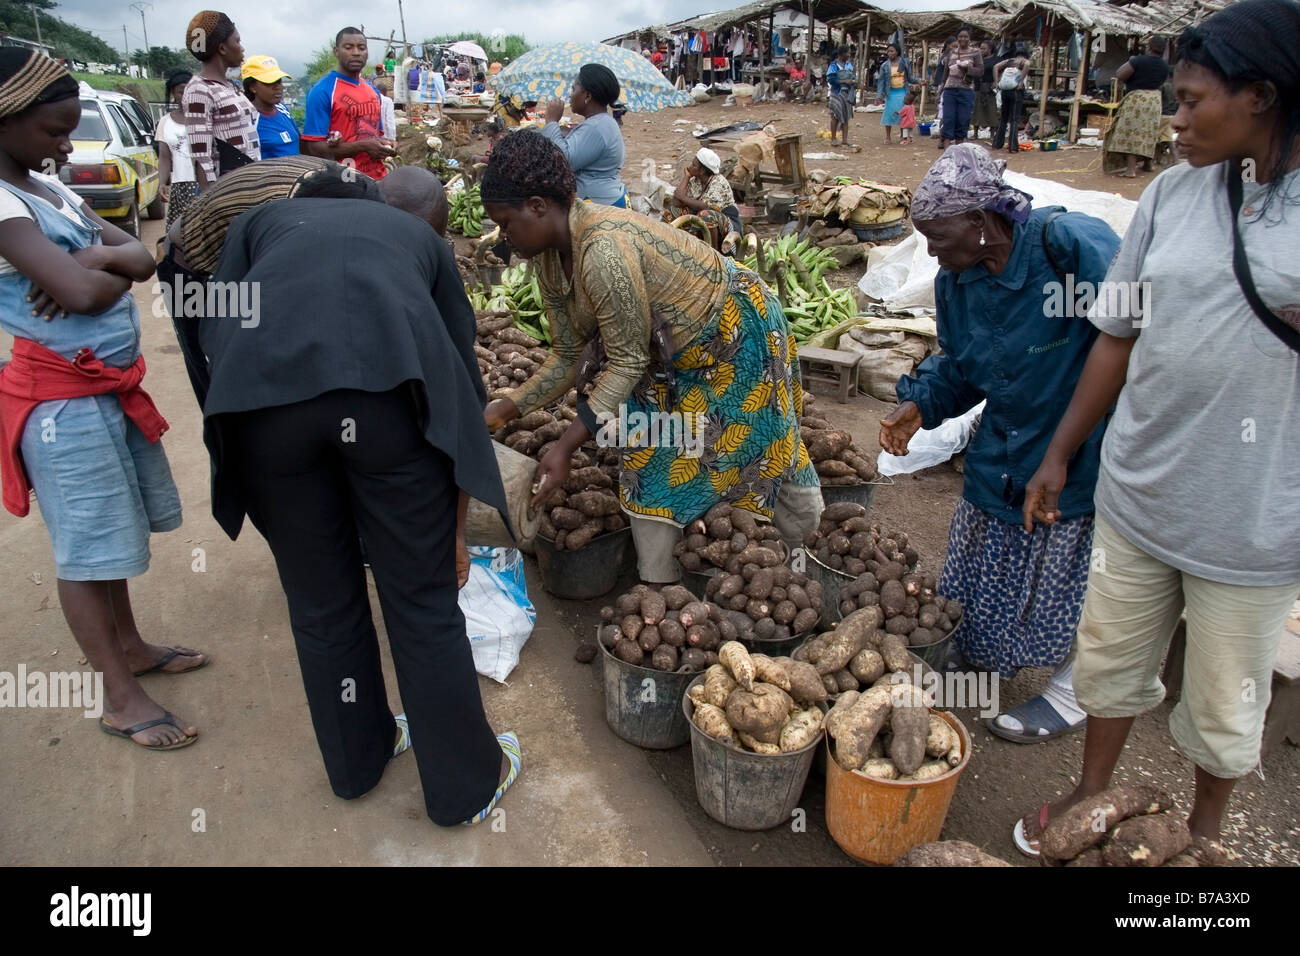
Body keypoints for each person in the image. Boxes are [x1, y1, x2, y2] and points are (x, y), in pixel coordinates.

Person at [1015, 0, 1300, 858]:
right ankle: (1093, 793)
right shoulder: (1172, 196)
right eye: (1171, 100)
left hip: (1251, 516)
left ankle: (1202, 838)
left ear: (1261, 95)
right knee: (1110, 664)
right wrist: (1061, 454)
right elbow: (1116, 334)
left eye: (1191, 101)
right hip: (1143, 492)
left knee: (1223, 701)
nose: (1171, 121)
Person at [201, 191, 519, 827]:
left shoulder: (260, 223)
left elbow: (214, 324)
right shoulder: (417, 237)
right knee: (421, 600)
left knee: (320, 601)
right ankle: (463, 790)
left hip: (266, 412)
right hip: (387, 410)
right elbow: (457, 367)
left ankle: (358, 762)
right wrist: (454, 514)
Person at [478, 132, 823, 582]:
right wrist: (509, 407)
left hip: (737, 334)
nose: (504, 237)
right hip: (665, 357)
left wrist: (564, 448)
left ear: (539, 206)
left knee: (765, 445)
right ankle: (658, 586)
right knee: (653, 455)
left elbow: (625, 363)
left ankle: (807, 556)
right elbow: (565, 354)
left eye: (506, 223)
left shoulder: (602, 249)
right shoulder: (547, 257)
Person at [881, 144, 1121, 743]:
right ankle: (988, 658)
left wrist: (1062, 454)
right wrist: (921, 404)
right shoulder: (957, 283)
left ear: (981, 222)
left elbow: (1132, 337)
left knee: (1067, 575)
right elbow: (962, 366)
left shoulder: (1066, 245)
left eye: (937, 237)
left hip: (1086, 446)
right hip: (1005, 446)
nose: (931, 251)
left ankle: (1075, 690)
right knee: (985, 557)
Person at [0, 51, 201, 750]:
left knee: (114, 539)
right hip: (61, 405)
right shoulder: (2, 202)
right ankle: (118, 695)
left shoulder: (49, 191)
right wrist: (97, 268)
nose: (66, 144)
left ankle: (134, 647)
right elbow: (95, 290)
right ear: (8, 119)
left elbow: (146, 257)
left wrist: (89, 260)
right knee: (86, 551)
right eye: (56, 130)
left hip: (104, 391)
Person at [158, 159, 447, 404]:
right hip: (197, 268)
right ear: (390, 216)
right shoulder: (297, 214)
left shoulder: (360, 195)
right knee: (228, 389)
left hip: (251, 256)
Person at [302, 26, 394, 180]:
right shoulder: (323, 91)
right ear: (336, 52)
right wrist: (363, 146)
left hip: (376, 178)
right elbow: (314, 148)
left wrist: (387, 144)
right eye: (348, 47)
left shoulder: (372, 90)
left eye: (361, 47)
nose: (356, 52)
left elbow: (374, 135)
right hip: (342, 182)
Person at [182, 10, 259, 190]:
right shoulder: (199, 90)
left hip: (248, 187)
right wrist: (212, 209)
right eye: (237, 41)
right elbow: (202, 158)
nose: (242, 47)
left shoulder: (230, 86)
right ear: (223, 48)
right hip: (228, 194)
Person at [539, 63, 627, 207]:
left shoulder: (597, 126)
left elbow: (561, 161)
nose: (570, 95)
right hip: (605, 199)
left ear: (587, 95)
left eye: (573, 89)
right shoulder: (601, 122)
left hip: (599, 206)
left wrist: (551, 121)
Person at [1105, 36, 1171, 177]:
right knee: (1148, 132)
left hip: (1138, 100)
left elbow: (1120, 74)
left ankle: (1130, 169)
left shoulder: (1138, 61)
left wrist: (1131, 61)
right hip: (1154, 100)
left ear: (1149, 47)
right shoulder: (1164, 65)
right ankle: (1148, 163)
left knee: (1132, 133)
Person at [662, 147, 741, 252]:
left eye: (694, 165)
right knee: (671, 212)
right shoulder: (695, 181)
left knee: (706, 215)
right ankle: (670, 246)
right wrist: (686, 177)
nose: (690, 167)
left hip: (725, 220)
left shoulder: (719, 182)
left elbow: (706, 207)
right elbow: (676, 202)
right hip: (699, 216)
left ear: (702, 170)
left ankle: (713, 252)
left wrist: (683, 198)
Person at [155, 69, 197, 229]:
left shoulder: (205, 118)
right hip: (180, 187)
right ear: (173, 93)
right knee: (180, 233)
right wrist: (163, 183)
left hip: (204, 183)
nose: (185, 96)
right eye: (181, 92)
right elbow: (165, 157)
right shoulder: (165, 123)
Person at [241, 54, 299, 159]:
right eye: (270, 82)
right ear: (252, 87)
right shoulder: (248, 120)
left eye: (279, 81)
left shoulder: (283, 110)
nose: (277, 87)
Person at [938, 26, 983, 149]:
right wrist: (941, 91)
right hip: (949, 90)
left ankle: (959, 150)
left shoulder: (976, 52)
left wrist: (968, 69)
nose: (963, 38)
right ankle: (947, 151)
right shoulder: (951, 53)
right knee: (948, 119)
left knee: (963, 119)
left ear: (969, 38)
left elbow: (980, 71)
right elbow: (945, 74)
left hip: (966, 90)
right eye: (960, 36)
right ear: (957, 38)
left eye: (965, 36)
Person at [992, 44, 1030, 153]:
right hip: (1016, 92)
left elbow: (995, 67)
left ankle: (997, 143)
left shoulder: (1010, 61)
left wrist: (996, 82)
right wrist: (1021, 81)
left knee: (1004, 118)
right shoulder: (1023, 62)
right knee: (1014, 119)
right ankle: (1013, 147)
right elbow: (1027, 64)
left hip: (1005, 91)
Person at [875, 43, 912, 145]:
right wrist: (879, 96)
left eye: (892, 51)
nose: (889, 53)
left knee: (902, 113)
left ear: (897, 52)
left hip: (902, 91)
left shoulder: (904, 63)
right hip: (890, 93)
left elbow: (910, 78)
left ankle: (902, 135)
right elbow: (881, 82)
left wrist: (919, 81)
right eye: (888, 51)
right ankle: (888, 137)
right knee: (888, 113)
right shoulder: (884, 66)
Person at [826, 46, 857, 148]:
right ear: (841, 54)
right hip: (837, 93)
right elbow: (831, 79)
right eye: (847, 53)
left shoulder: (849, 65)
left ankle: (844, 140)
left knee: (846, 116)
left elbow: (853, 77)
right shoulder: (833, 65)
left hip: (847, 94)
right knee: (835, 116)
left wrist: (853, 82)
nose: (849, 55)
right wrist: (844, 81)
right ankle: (834, 139)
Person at [971, 40, 998, 140]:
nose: (981, 50)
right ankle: (975, 133)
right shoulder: (977, 59)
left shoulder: (996, 60)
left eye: (984, 48)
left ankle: (992, 134)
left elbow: (999, 71)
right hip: (978, 87)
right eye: (980, 48)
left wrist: (996, 82)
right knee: (977, 110)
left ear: (990, 49)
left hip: (989, 88)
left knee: (991, 110)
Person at [374, 77, 397, 142]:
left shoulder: (371, 99)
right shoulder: (388, 101)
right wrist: (392, 138)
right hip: (385, 137)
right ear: (385, 92)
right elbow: (390, 120)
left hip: (373, 137)